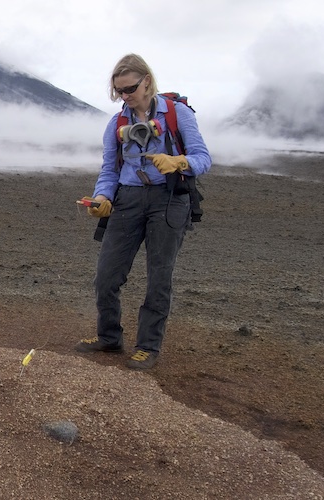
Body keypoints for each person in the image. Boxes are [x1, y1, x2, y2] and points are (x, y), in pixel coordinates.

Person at [75, 53, 211, 370]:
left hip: (168, 199)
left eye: (130, 88)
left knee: (158, 277)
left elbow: (203, 157)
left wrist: (180, 163)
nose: (124, 96)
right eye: (119, 91)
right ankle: (109, 337)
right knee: (107, 275)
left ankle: (148, 346)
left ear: (147, 81)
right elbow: (109, 170)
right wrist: (102, 198)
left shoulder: (178, 115)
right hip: (128, 199)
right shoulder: (117, 123)